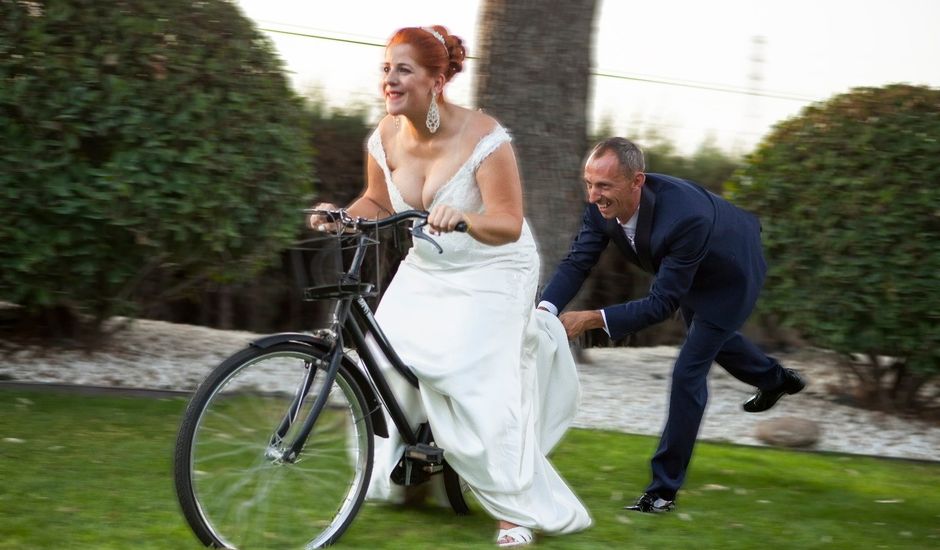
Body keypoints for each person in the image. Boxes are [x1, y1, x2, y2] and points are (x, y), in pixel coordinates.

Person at [310, 25, 591, 547]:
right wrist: (340, 216)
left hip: (495, 266)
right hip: (430, 263)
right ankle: (417, 469)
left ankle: (515, 511)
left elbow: (507, 222)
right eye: (386, 69)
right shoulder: (386, 134)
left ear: (436, 81)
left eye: (403, 70)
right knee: (384, 363)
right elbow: (378, 200)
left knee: (477, 381)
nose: (390, 80)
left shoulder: (484, 137)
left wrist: (462, 217)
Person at [538, 137, 806, 513]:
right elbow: (577, 261)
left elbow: (662, 304)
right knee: (715, 339)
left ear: (637, 181)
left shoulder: (685, 216)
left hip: (731, 273)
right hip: (688, 269)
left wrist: (593, 319)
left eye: (603, 186)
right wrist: (545, 311)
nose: (593, 196)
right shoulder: (601, 208)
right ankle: (776, 379)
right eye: (589, 184)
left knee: (688, 371)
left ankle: (662, 492)